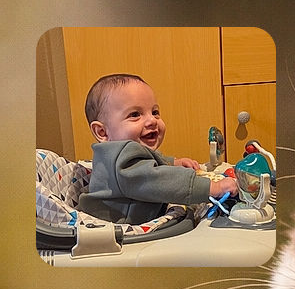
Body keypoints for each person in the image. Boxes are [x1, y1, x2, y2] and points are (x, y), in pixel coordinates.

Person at [76, 73, 237, 223]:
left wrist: (173, 162)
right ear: (102, 132)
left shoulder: (119, 156)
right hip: (118, 229)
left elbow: (144, 164)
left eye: (154, 112)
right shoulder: (121, 158)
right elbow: (158, 180)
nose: (152, 120)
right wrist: (213, 188)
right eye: (135, 115)